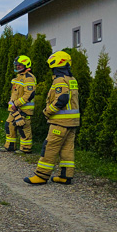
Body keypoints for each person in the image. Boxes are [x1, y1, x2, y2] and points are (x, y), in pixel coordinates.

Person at [25, 51, 80, 185]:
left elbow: (62, 99)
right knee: (67, 149)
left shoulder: (59, 80)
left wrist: (47, 111)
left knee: (49, 147)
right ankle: (65, 176)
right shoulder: (71, 79)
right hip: (72, 122)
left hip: (60, 122)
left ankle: (41, 176)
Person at [0, 55, 36, 154]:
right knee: (9, 125)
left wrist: (16, 103)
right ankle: (10, 146)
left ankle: (26, 148)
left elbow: (29, 94)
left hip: (24, 109)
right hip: (14, 108)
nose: (17, 67)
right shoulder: (18, 77)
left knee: (23, 128)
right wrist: (11, 103)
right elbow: (15, 93)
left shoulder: (29, 78)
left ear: (26, 65)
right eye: (16, 65)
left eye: (19, 65)